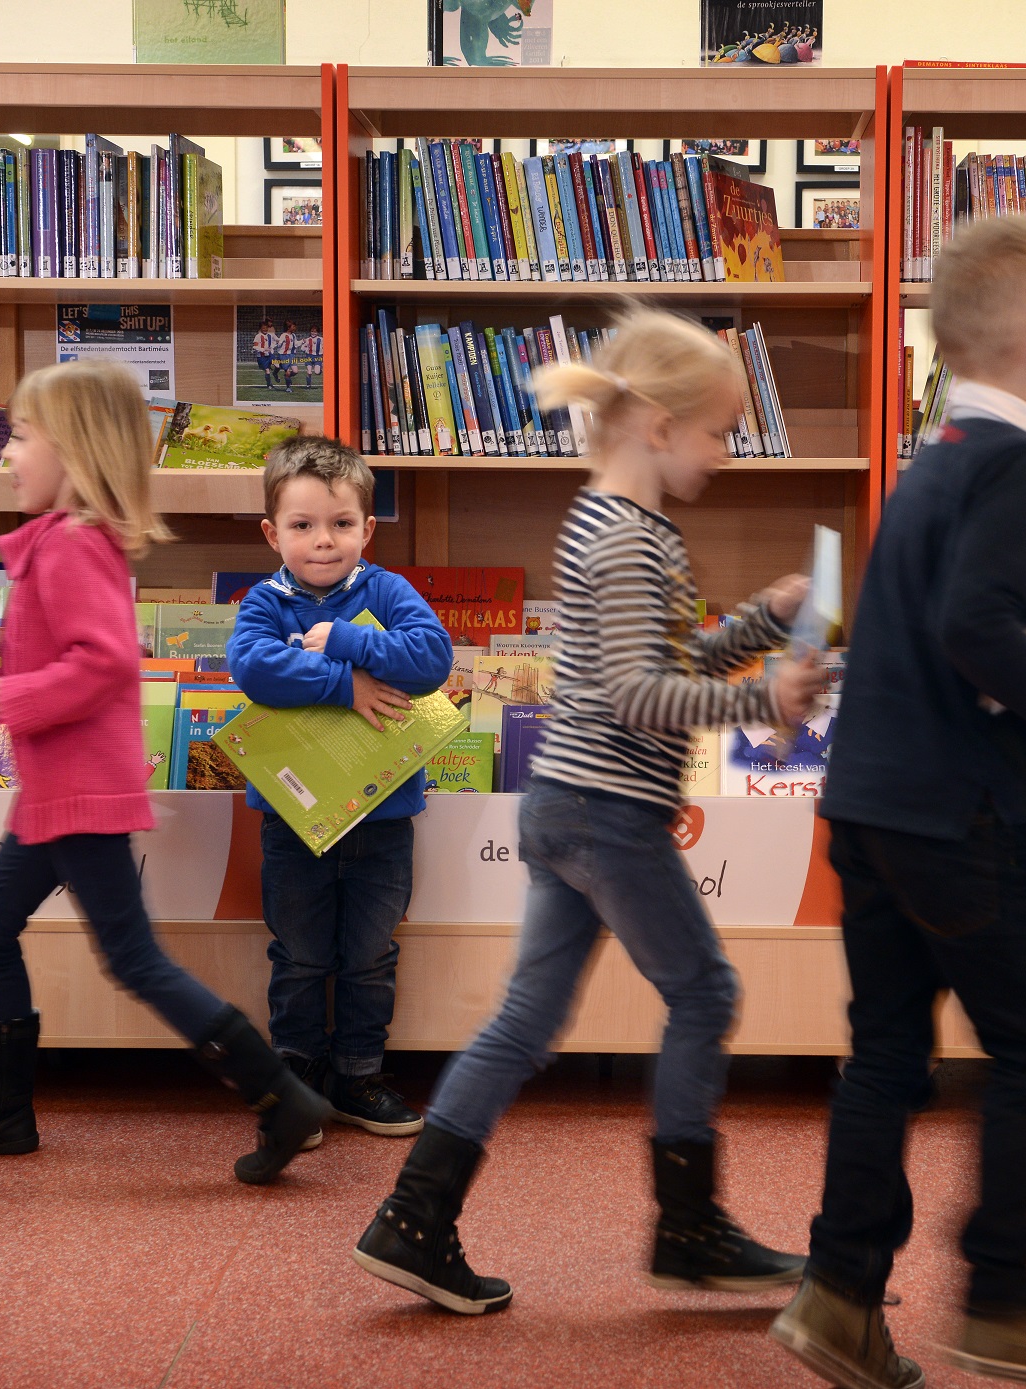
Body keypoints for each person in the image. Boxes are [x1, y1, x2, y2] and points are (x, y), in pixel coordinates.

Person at [352, 310, 827, 1315]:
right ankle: (687, 1232)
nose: (728, 454)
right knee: (703, 993)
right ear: (655, 424)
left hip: (567, 805)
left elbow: (662, 668)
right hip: (608, 811)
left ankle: (413, 1219)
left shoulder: (616, 526)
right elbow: (633, 698)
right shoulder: (625, 541)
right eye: (719, 431)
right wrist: (762, 699)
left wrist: (755, 626)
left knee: (525, 1019)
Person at [769, 217, 1026, 1388]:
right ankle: (998, 1297)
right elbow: (969, 626)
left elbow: (943, 625)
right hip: (954, 820)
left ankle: (838, 1295)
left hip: (871, 811)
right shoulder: (1023, 462)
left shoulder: (932, 454)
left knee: (884, 1054)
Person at [0, 361, 331, 1186]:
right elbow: (54, 663)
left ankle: (281, 1095)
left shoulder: (70, 547)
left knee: (131, 959)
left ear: (76, 449)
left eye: (23, 436)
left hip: (78, 795)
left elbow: (102, 664)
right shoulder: (59, 546)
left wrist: (0, 691)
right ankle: (2, 1110)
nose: (9, 454)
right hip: (57, 790)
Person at [226, 436, 453, 1138]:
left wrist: (347, 641)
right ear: (272, 532)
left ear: (366, 528)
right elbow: (254, 668)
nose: (323, 542)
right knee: (298, 954)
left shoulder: (385, 589)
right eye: (302, 526)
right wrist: (345, 686)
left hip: (383, 819)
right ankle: (294, 1082)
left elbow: (431, 659)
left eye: (341, 524)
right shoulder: (264, 601)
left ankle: (358, 1074)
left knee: (371, 953)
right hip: (293, 821)